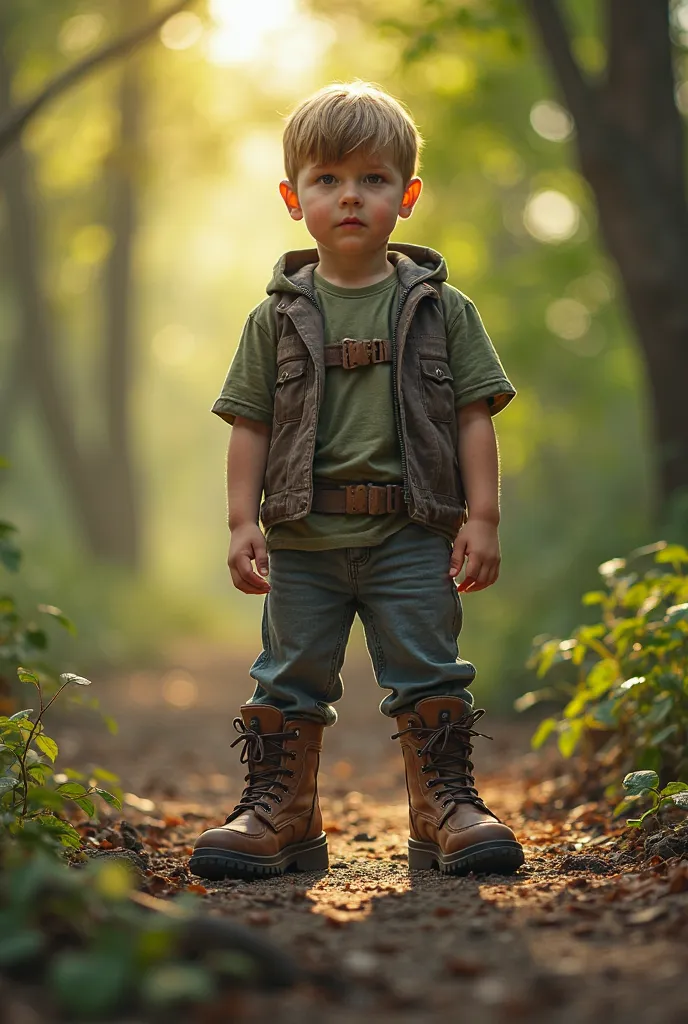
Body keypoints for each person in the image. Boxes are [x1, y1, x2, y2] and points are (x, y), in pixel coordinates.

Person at [190, 81, 524, 882]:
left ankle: (442, 806)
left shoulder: (443, 309)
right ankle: (283, 812)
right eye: (328, 179)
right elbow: (250, 424)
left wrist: (484, 518)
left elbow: (475, 416)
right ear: (292, 195)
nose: (350, 197)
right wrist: (243, 523)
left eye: (373, 180)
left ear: (406, 197)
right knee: (287, 678)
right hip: (303, 539)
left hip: (413, 534)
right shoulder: (276, 316)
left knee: (430, 675)